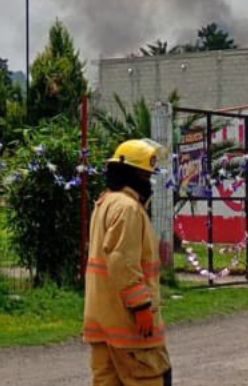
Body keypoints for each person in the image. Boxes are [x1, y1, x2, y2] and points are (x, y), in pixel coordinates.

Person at [84, 138, 172, 386]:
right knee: (151, 378)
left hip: (103, 323)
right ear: (132, 175)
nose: (149, 183)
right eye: (146, 176)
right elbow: (122, 261)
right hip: (129, 325)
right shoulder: (128, 209)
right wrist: (141, 307)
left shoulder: (105, 203)